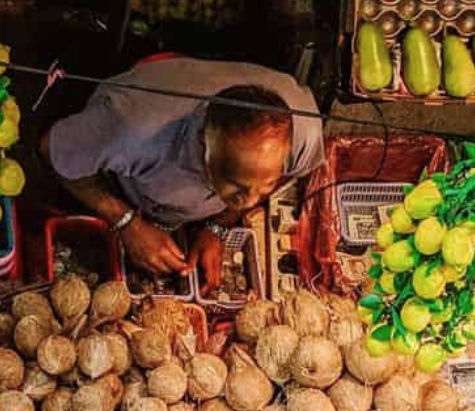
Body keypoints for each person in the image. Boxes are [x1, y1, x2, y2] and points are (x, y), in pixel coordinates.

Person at [45, 57, 323, 290]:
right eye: (235, 187)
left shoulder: (303, 131)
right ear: (204, 145)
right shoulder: (133, 132)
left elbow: (293, 172)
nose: (251, 202)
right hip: (121, 165)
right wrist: (126, 221)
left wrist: (218, 225)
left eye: (266, 184)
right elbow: (51, 150)